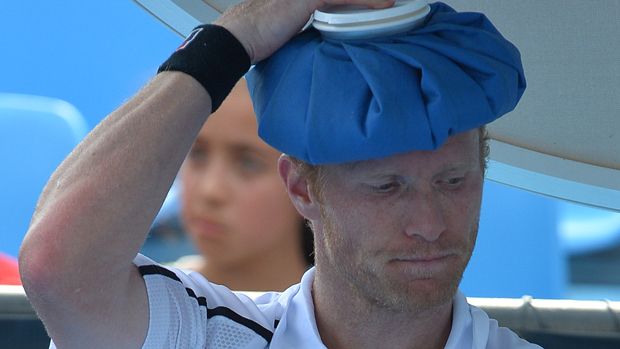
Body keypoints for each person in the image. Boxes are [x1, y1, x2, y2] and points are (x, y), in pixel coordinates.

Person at [18, 0, 539, 349]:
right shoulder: (224, 338)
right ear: (300, 187)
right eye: (386, 186)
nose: (429, 223)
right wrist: (236, 36)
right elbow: (59, 270)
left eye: (454, 181)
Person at [170, 78, 313, 291]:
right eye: (197, 153)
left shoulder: (335, 321)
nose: (211, 190)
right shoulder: (141, 304)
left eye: (249, 163)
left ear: (306, 185)